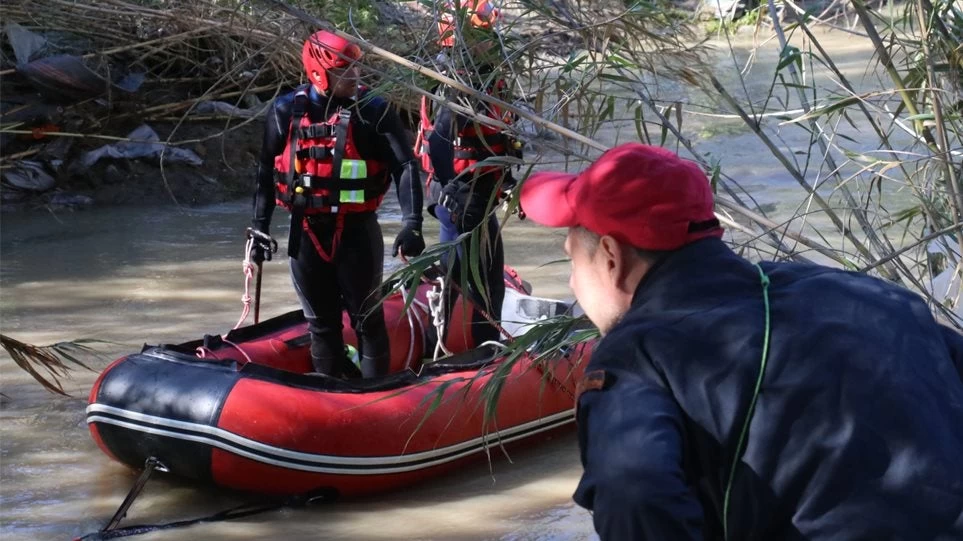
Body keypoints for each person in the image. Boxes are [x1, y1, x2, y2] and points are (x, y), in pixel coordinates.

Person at [519, 142, 963, 540]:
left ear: (611, 258)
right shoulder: (874, 298)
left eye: (571, 260)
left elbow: (635, 494)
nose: (573, 284)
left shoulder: (637, 357)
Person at [250, 31, 425, 379]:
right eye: (345, 71)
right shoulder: (285, 111)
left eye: (356, 68)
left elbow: (405, 166)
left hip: (357, 234)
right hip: (306, 235)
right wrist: (259, 226)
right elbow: (265, 169)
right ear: (318, 73)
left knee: (367, 321)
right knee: (322, 327)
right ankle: (330, 396)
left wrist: (412, 222)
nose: (355, 76)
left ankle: (376, 399)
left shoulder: (374, 111)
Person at [417, 0, 521, 348]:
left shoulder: (475, 75)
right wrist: (453, 191)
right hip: (465, 199)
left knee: (458, 277)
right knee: (483, 286)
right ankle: (482, 356)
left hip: (470, 197)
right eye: (484, 33)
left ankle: (440, 350)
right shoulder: (459, 80)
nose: (492, 39)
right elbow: (439, 141)